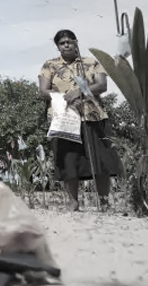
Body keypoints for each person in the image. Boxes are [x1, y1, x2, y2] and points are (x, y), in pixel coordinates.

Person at [38, 29, 123, 211]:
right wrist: (63, 96)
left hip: (92, 115)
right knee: (68, 160)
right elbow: (43, 90)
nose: (66, 45)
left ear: (76, 42)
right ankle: (73, 202)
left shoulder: (91, 62)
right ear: (58, 46)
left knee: (99, 159)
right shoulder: (50, 65)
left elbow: (102, 85)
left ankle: (104, 201)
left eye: (69, 41)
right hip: (65, 117)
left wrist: (79, 92)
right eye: (62, 43)